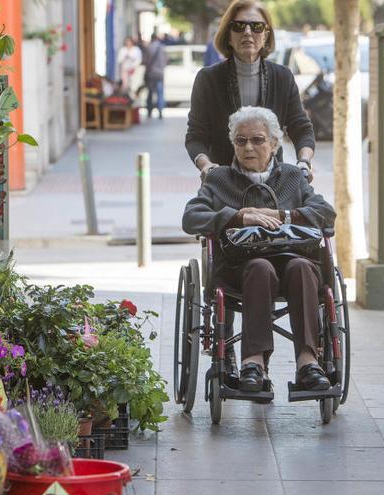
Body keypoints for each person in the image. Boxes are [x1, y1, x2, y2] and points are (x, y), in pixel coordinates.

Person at [182, 106, 336, 393]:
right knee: (260, 268)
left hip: (293, 260)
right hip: (240, 269)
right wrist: (238, 215)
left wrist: (284, 216)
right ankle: (253, 362)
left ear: (275, 144)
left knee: (303, 267)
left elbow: (326, 213)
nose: (249, 147)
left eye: (258, 140)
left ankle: (308, 362)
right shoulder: (219, 179)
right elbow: (191, 218)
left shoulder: (292, 177)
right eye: (241, 141)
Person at [185, 0, 315, 183]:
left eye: (256, 26)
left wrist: (304, 162)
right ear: (228, 35)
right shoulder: (208, 79)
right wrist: (206, 166)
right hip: (223, 184)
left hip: (274, 185)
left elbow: (301, 129)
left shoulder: (283, 77)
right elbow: (195, 136)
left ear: (266, 35)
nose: (247, 32)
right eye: (238, 26)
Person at [143, 33, 167, 119]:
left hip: (151, 73)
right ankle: (160, 111)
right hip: (160, 73)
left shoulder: (149, 48)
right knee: (160, 93)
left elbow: (145, 61)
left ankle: (149, 110)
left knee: (150, 93)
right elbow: (165, 61)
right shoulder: (162, 48)